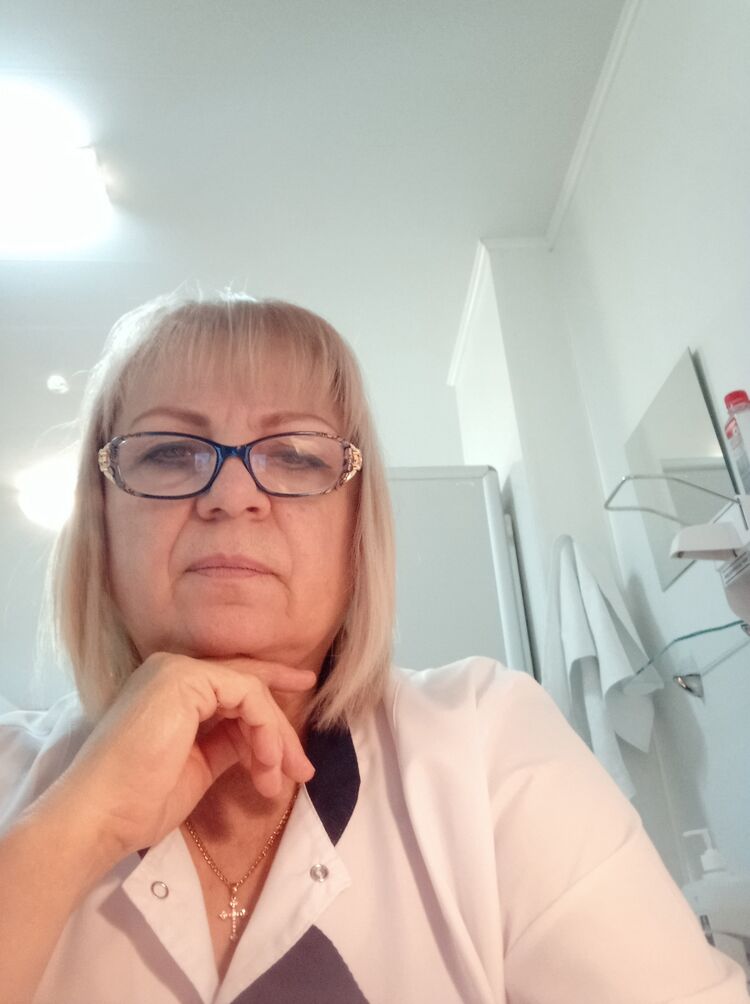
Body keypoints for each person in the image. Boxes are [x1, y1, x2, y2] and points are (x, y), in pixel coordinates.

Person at [0, 293, 746, 1004]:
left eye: (295, 455)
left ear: (357, 528)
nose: (231, 495)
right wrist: (74, 830)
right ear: (102, 521)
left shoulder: (484, 736)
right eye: (168, 452)